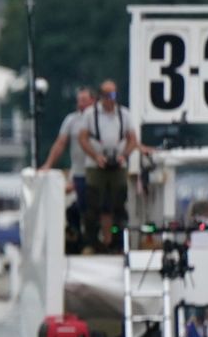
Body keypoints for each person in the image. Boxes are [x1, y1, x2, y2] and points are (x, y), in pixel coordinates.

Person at [78, 80, 138, 250]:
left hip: (117, 163)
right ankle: (92, 242)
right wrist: (96, 156)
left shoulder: (124, 114)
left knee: (118, 204)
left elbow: (133, 140)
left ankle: (117, 242)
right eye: (106, 95)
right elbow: (82, 138)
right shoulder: (90, 114)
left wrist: (123, 155)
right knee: (93, 204)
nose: (109, 99)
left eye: (112, 95)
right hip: (96, 164)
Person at [40, 87, 95, 218]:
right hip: (78, 171)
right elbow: (60, 143)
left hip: (95, 169)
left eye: (84, 100)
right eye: (79, 100)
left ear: (93, 100)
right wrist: (48, 164)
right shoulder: (72, 120)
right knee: (79, 206)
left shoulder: (99, 120)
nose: (80, 104)